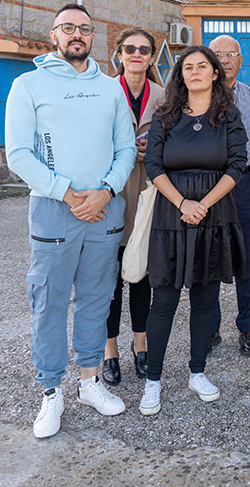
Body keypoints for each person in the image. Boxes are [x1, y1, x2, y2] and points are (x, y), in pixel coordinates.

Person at [5, 3, 136, 438]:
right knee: (49, 300)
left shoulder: (110, 89)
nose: (76, 34)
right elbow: (20, 152)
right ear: (54, 34)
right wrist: (65, 191)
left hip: (104, 209)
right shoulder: (29, 85)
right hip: (53, 209)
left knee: (97, 298)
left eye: (84, 28)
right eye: (68, 28)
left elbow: (126, 150)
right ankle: (50, 392)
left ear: (93, 37)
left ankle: (89, 381)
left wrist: (106, 191)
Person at [140, 46, 247, 415]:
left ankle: (197, 371)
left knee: (205, 299)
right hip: (172, 216)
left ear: (216, 73)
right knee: (164, 300)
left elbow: (236, 166)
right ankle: (152, 381)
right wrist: (183, 203)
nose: (196, 72)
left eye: (204, 66)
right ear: (180, 75)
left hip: (214, 218)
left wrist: (204, 204)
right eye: (189, 67)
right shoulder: (165, 116)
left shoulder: (228, 115)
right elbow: (154, 165)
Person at [102, 28, 165, 386]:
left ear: (152, 57)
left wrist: (153, 151)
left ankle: (140, 344)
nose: (137, 54)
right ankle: (109, 349)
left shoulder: (164, 95)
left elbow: (175, 139)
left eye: (144, 49)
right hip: (111, 191)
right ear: (120, 55)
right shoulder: (105, 91)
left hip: (148, 192)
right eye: (130, 49)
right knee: (109, 276)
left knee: (141, 271)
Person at [207, 35, 250, 357]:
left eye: (231, 54)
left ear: (241, 60)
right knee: (210, 253)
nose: (226, 60)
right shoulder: (199, 97)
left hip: (247, 182)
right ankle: (210, 327)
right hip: (209, 183)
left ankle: (248, 327)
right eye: (219, 54)